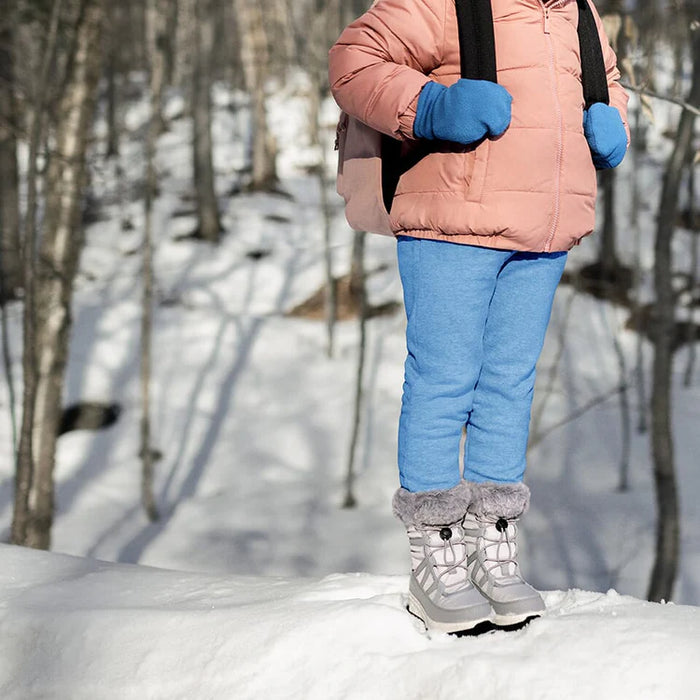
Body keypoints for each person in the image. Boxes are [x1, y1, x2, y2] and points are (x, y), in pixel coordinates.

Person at [328, 0, 629, 633]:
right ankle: (433, 554)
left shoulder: (580, 10)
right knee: (443, 380)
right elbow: (354, 62)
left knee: (509, 385)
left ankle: (492, 544)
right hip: (450, 223)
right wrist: (433, 108)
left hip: (545, 231)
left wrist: (611, 117)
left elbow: (608, 76)